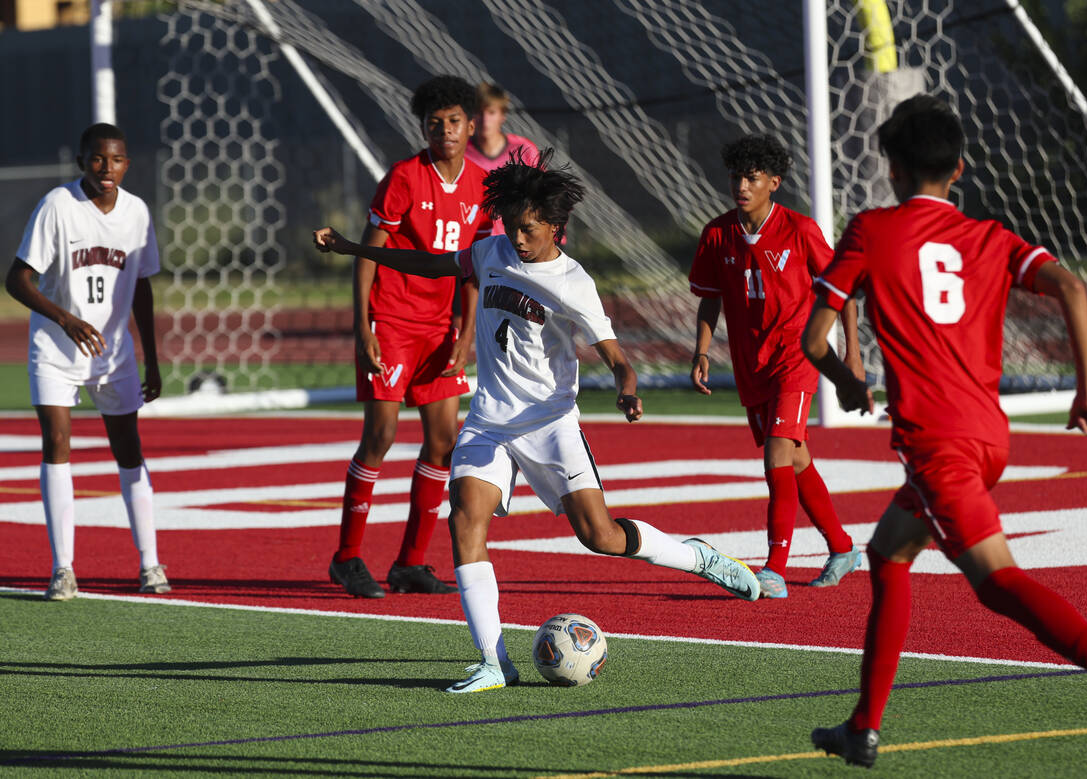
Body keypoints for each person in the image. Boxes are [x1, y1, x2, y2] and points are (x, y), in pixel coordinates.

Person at [801, 95, 1087, 775]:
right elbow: (1073, 289)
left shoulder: (873, 230)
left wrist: (849, 382)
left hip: (936, 443)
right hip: (989, 437)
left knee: (996, 580)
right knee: (887, 555)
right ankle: (863, 726)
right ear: (960, 168)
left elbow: (813, 336)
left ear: (892, 167)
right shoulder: (993, 237)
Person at [314, 149, 762, 693]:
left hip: (550, 423)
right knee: (464, 519)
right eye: (511, 226)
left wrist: (626, 386)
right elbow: (434, 262)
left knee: (600, 536)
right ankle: (493, 661)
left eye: (528, 230)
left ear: (555, 227)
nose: (517, 239)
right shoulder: (491, 251)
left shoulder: (573, 281)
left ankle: (697, 556)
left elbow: (616, 354)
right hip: (489, 421)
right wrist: (355, 248)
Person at [329, 75, 493, 598]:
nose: (443, 130)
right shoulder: (403, 177)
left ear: (471, 126)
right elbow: (365, 255)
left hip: (439, 329)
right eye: (434, 123)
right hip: (393, 321)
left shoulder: (480, 187)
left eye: (453, 121)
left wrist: (466, 332)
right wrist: (364, 328)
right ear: (423, 127)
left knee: (443, 443)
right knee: (379, 437)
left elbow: (472, 268)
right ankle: (348, 557)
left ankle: (409, 563)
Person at [689, 134, 864, 598]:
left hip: (796, 358)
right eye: (736, 176)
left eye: (752, 178)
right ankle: (843, 547)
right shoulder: (717, 234)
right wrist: (702, 350)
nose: (741, 185)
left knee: (776, 456)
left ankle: (774, 569)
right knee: (796, 459)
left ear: (774, 183)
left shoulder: (801, 229)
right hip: (752, 365)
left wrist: (852, 354)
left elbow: (840, 290)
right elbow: (710, 299)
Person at [5, 122, 170, 601]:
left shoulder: (136, 212)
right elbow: (18, 280)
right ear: (81, 162)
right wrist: (65, 319)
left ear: (127, 164)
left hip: (114, 354)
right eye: (97, 159)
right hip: (56, 351)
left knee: (129, 449)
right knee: (57, 443)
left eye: (116, 159)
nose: (106, 168)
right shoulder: (58, 205)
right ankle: (63, 569)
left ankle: (151, 565)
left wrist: (152, 359)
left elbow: (141, 285)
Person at [465, 82, 538, 236]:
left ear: (502, 116)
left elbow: (542, 197)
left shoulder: (524, 151)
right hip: (471, 240)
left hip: (514, 240)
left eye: (491, 112)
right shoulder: (460, 152)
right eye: (479, 112)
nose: (485, 120)